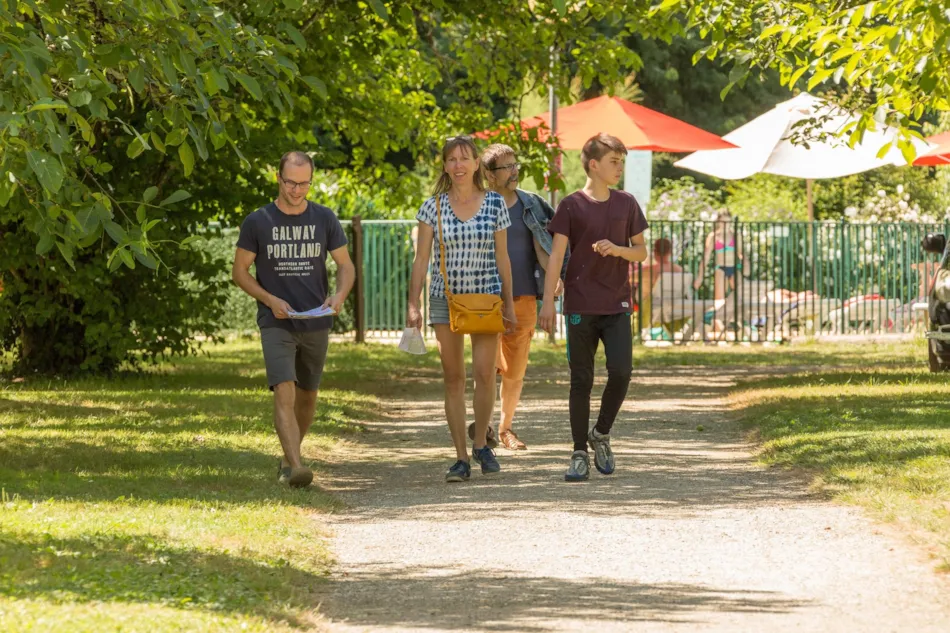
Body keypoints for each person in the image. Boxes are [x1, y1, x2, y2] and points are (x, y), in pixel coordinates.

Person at [232, 151, 355, 488]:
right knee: (284, 389)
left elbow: (346, 265)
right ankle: (298, 468)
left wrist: (339, 296)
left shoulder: (324, 218)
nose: (297, 190)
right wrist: (269, 300)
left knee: (308, 396)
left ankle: (287, 459)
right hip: (276, 321)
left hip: (315, 320)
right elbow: (239, 272)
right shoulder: (258, 221)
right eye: (291, 182)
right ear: (278, 178)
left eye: (304, 184)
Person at [406, 135, 517, 483]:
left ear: (475, 165)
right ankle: (460, 458)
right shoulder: (432, 207)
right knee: (453, 378)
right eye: (451, 159)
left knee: (485, 374)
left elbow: (503, 257)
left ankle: (482, 442)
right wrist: (413, 304)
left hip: (486, 298)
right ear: (445, 165)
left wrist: (510, 303)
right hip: (445, 299)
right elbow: (421, 259)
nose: (458, 165)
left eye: (465, 158)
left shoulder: (495, 204)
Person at [538, 133, 648, 482]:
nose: (619, 168)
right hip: (580, 304)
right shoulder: (570, 205)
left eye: (622, 161)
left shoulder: (627, 203)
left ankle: (601, 433)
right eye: (614, 161)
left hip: (616, 304)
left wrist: (617, 249)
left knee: (621, 373)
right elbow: (556, 254)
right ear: (594, 164)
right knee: (580, 379)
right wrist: (547, 301)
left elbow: (641, 251)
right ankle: (578, 452)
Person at [479, 143, 566, 451]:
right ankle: (485, 428)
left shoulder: (532, 203)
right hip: (485, 298)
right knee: (486, 365)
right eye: (507, 167)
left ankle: (506, 429)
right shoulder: (477, 205)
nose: (514, 171)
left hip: (525, 296)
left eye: (516, 165)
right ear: (489, 174)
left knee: (515, 370)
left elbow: (552, 245)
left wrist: (555, 281)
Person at [694, 210, 742, 300]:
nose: (725, 224)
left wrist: (744, 265)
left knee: (740, 298)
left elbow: (741, 253)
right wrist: (700, 276)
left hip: (734, 267)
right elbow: (706, 257)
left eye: (728, 222)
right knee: (719, 301)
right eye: (723, 222)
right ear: (718, 222)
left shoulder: (735, 235)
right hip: (720, 268)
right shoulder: (713, 236)